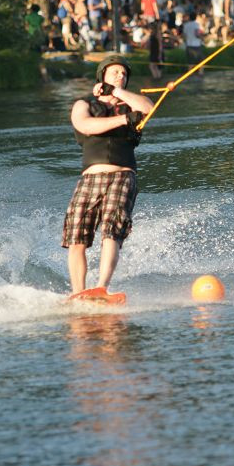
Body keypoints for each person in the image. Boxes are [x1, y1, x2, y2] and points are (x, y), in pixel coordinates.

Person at [62, 55, 154, 297]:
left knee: (111, 232)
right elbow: (86, 126)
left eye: (124, 74)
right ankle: (78, 292)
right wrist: (124, 119)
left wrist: (118, 92)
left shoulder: (133, 104)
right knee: (76, 239)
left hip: (123, 176)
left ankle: (102, 287)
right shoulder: (84, 104)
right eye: (114, 72)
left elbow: (148, 108)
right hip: (90, 179)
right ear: (102, 76)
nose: (120, 76)